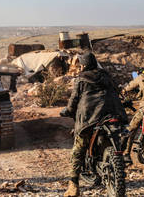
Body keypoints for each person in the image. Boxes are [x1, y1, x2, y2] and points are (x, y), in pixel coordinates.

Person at [60, 52, 127, 197]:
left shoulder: (81, 78)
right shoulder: (106, 75)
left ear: (83, 65)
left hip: (90, 116)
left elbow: (74, 101)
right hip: (113, 112)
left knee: (78, 149)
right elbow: (117, 91)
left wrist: (68, 111)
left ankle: (73, 186)